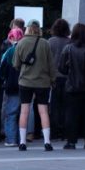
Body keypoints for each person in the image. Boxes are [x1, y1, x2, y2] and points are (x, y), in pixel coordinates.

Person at [13, 20, 57, 152]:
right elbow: (51, 65)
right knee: (43, 111)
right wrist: (53, 80)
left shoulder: (21, 43)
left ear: (27, 28)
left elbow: (15, 64)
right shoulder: (45, 43)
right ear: (39, 29)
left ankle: (22, 142)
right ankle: (47, 142)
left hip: (25, 82)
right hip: (43, 82)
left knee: (24, 110)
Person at [59, 23, 85, 149]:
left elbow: (61, 68)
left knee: (71, 114)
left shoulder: (68, 48)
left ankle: (71, 141)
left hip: (71, 86)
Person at [0, 28, 24, 146]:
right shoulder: (26, 50)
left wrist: (4, 78)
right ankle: (21, 138)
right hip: (26, 84)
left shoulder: (9, 52)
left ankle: (11, 139)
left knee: (11, 113)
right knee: (23, 113)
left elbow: (1, 70)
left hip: (12, 85)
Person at [48, 18, 71, 140]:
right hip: (67, 77)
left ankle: (54, 131)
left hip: (54, 77)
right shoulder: (70, 42)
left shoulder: (50, 42)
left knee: (54, 106)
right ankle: (65, 131)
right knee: (66, 106)